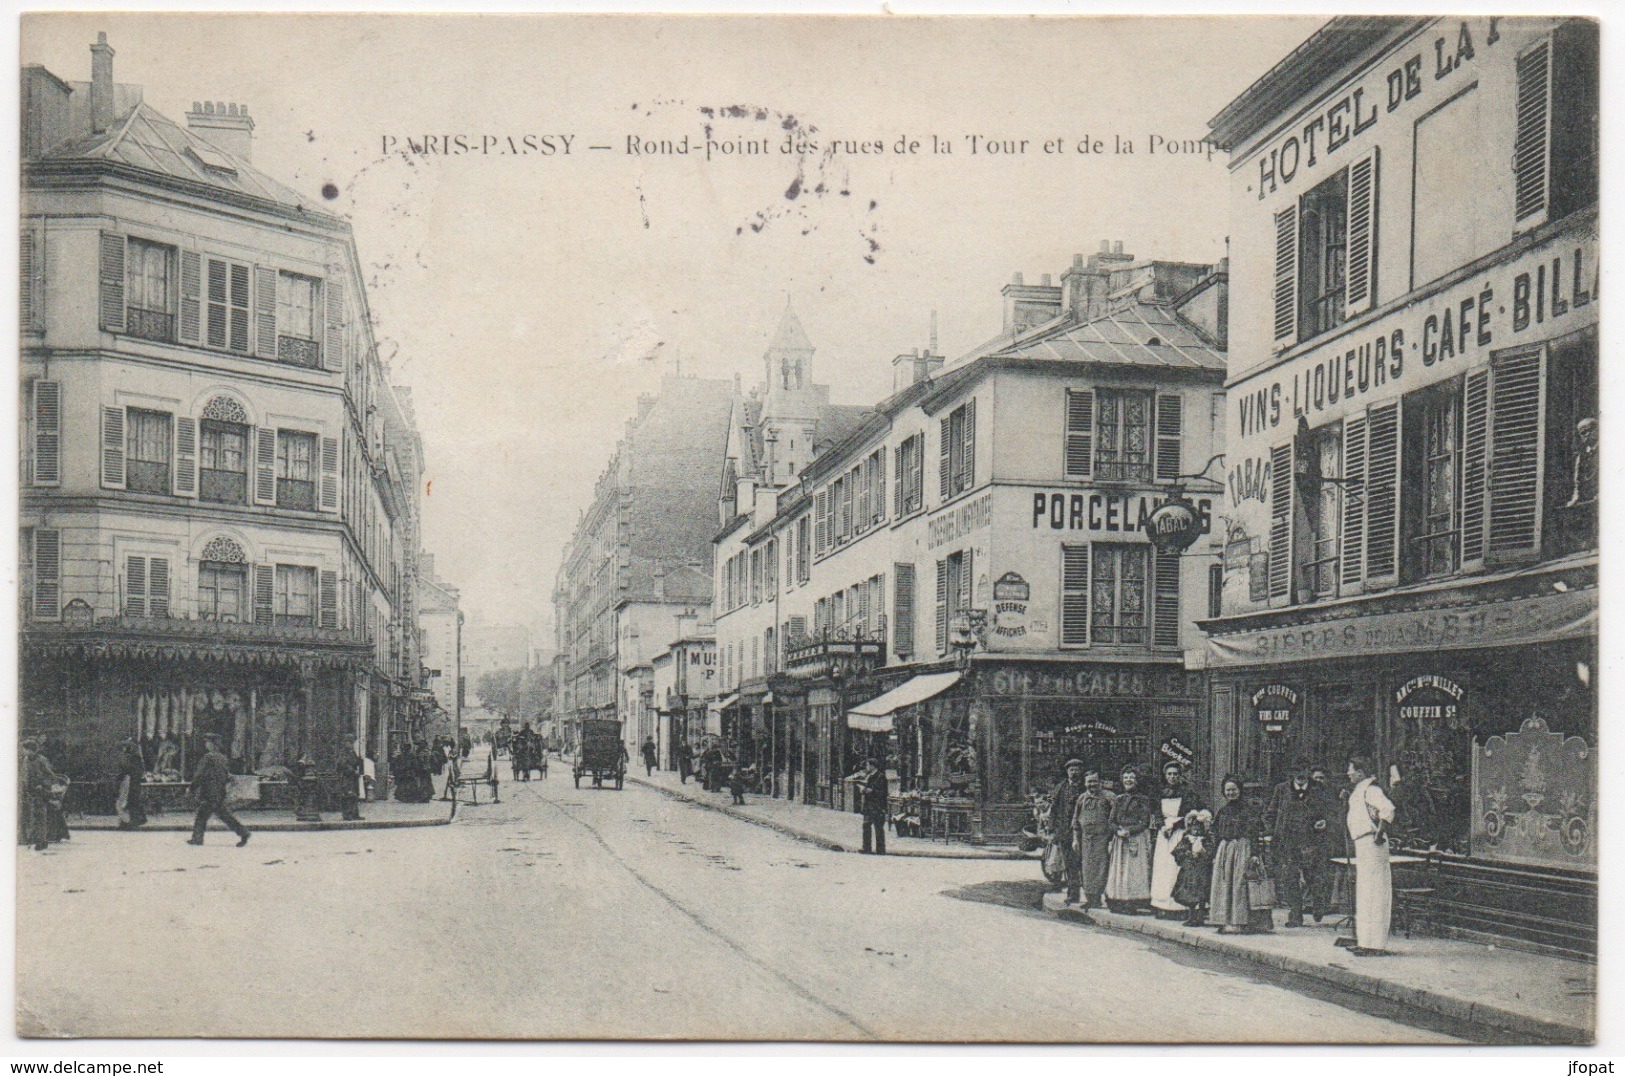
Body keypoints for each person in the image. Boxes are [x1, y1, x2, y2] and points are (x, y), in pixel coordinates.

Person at [1265, 765, 1337, 926]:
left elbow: (1331, 811)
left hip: (1312, 841)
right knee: (1290, 878)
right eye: (1296, 772)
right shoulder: (1281, 789)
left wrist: (1324, 822)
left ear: (1308, 774)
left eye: (1303, 772)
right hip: (1288, 842)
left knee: (1313, 876)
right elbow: (1271, 812)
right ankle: (1295, 914)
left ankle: (1319, 902)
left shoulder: (1319, 789)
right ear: (1291, 774)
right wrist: (1271, 832)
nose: (1300, 775)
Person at [1345, 755, 1397, 956]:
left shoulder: (1371, 789)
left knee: (1375, 892)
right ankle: (1365, 941)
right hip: (1362, 843)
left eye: (1351, 769)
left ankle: (1375, 943)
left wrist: (1379, 833)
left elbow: (1388, 809)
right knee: (1365, 891)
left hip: (1372, 843)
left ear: (1360, 772)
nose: (1348, 773)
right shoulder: (1359, 790)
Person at [1208, 774, 1271, 934]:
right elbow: (1217, 834)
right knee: (1224, 885)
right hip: (1225, 850)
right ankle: (1225, 920)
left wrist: (1255, 854)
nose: (1231, 793)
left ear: (1240, 790)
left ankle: (1241, 921)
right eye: (1228, 790)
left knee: (1240, 885)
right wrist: (1216, 854)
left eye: (1234, 790)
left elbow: (1254, 833)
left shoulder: (1249, 810)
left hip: (1243, 848)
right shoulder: (1223, 811)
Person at [1150, 759, 1202, 918]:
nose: (1172, 777)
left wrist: (1175, 824)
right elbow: (1156, 812)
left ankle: (1178, 906)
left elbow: (1190, 812)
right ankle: (1162, 904)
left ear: (1180, 775)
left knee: (1175, 866)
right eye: (1169, 774)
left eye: (1175, 774)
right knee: (1162, 867)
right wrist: (1162, 825)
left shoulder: (1187, 792)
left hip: (1179, 833)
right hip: (1164, 834)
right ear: (1165, 776)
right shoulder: (1161, 792)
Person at [1105, 766, 1155, 914]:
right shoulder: (1118, 799)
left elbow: (1144, 821)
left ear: (1137, 781)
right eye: (1126, 778)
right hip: (1120, 839)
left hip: (1136, 838)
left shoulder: (1143, 800)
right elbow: (1111, 820)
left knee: (1134, 870)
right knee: (1119, 869)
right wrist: (1118, 830)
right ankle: (1118, 899)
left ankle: (1132, 902)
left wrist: (1130, 830)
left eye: (1131, 778)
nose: (1128, 781)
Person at [188, 735, 251, 847]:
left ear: (212, 744)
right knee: (224, 815)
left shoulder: (207, 757)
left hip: (208, 792)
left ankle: (197, 839)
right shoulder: (223, 758)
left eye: (207, 742)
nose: (206, 744)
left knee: (202, 816)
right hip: (219, 791)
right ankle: (243, 832)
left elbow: (200, 775)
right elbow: (226, 775)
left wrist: (192, 787)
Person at [1073, 770, 1116, 910]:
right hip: (1086, 839)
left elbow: (1115, 817)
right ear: (1085, 783)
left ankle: (1110, 899)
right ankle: (1092, 899)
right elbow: (1075, 820)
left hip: (1103, 839)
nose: (1092, 784)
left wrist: (1112, 836)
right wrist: (1075, 839)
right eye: (1089, 781)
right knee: (1087, 870)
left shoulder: (1109, 797)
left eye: (1094, 781)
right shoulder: (1081, 798)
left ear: (1100, 782)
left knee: (1103, 869)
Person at [1049, 759, 1088, 904]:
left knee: (1083, 863)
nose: (1074, 772)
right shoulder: (1061, 788)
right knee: (1070, 863)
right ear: (1067, 772)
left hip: (1082, 832)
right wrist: (1052, 830)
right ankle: (1073, 893)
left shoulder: (1085, 787)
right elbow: (1054, 809)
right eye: (1071, 770)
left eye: (1077, 769)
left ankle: (1090, 894)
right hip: (1065, 832)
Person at [1172, 809, 1215, 926]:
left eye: (1199, 828)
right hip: (1189, 871)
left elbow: (1211, 853)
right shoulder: (1186, 839)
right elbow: (1177, 851)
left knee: (1202, 895)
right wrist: (1188, 854)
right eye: (1193, 827)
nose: (1196, 830)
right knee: (1189, 895)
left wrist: (1202, 852)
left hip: (1202, 872)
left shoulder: (1206, 840)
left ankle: (1200, 916)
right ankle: (1191, 916)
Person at [847, 757, 889, 854]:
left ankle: (880, 850)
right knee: (866, 826)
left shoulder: (880, 777)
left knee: (878, 828)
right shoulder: (870, 776)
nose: (866, 767)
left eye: (867, 765)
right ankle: (866, 848)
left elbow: (880, 793)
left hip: (877, 806)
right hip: (869, 806)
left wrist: (864, 790)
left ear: (872, 766)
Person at [19, 738, 55, 851]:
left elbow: (50, 775)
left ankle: (41, 841)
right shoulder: (26, 760)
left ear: (32, 750)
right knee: (31, 817)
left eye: (26, 749)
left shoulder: (41, 760)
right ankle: (33, 839)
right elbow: (24, 775)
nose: (24, 751)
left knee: (39, 816)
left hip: (40, 792)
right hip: (28, 792)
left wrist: (42, 785)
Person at [116, 739, 148, 830]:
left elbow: (132, 770)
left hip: (132, 781)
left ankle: (134, 821)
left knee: (132, 801)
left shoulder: (133, 757)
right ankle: (137, 819)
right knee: (132, 801)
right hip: (129, 781)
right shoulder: (130, 756)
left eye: (124, 747)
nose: (123, 748)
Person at [339, 741, 366, 821]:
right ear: (346, 743)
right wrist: (352, 770)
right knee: (348, 795)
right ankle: (347, 815)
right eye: (351, 742)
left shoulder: (353, 753)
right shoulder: (344, 754)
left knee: (355, 795)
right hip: (347, 778)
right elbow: (343, 765)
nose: (352, 744)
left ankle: (354, 814)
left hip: (354, 778)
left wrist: (360, 762)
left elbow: (357, 762)